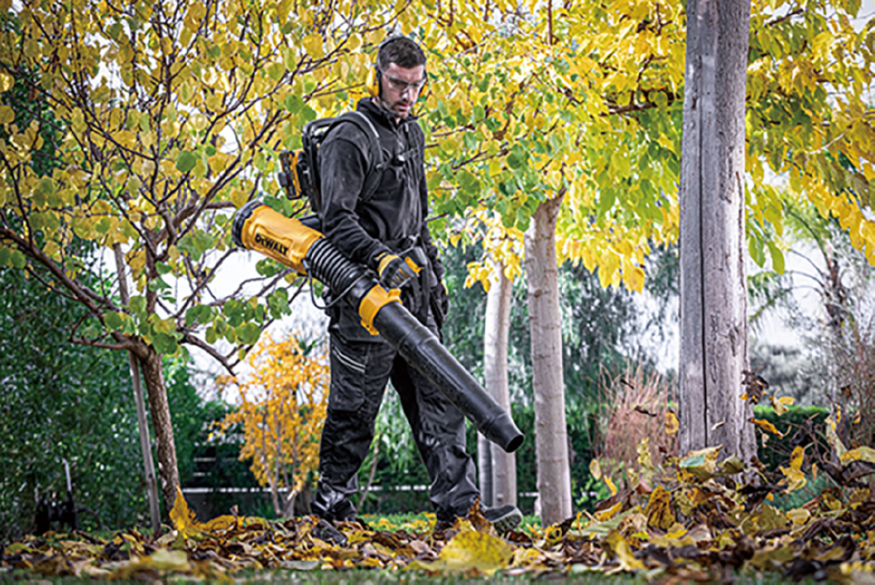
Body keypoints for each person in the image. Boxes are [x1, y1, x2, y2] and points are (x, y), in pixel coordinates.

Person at [310, 36, 522, 533]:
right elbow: (336, 221)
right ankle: (331, 509)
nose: (407, 95)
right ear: (377, 76)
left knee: (441, 405)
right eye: (398, 84)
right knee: (354, 412)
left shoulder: (412, 132)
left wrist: (435, 276)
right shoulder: (350, 137)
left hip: (413, 291)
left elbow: (419, 216)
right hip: (363, 297)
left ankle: (460, 512)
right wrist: (377, 257)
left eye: (415, 86)